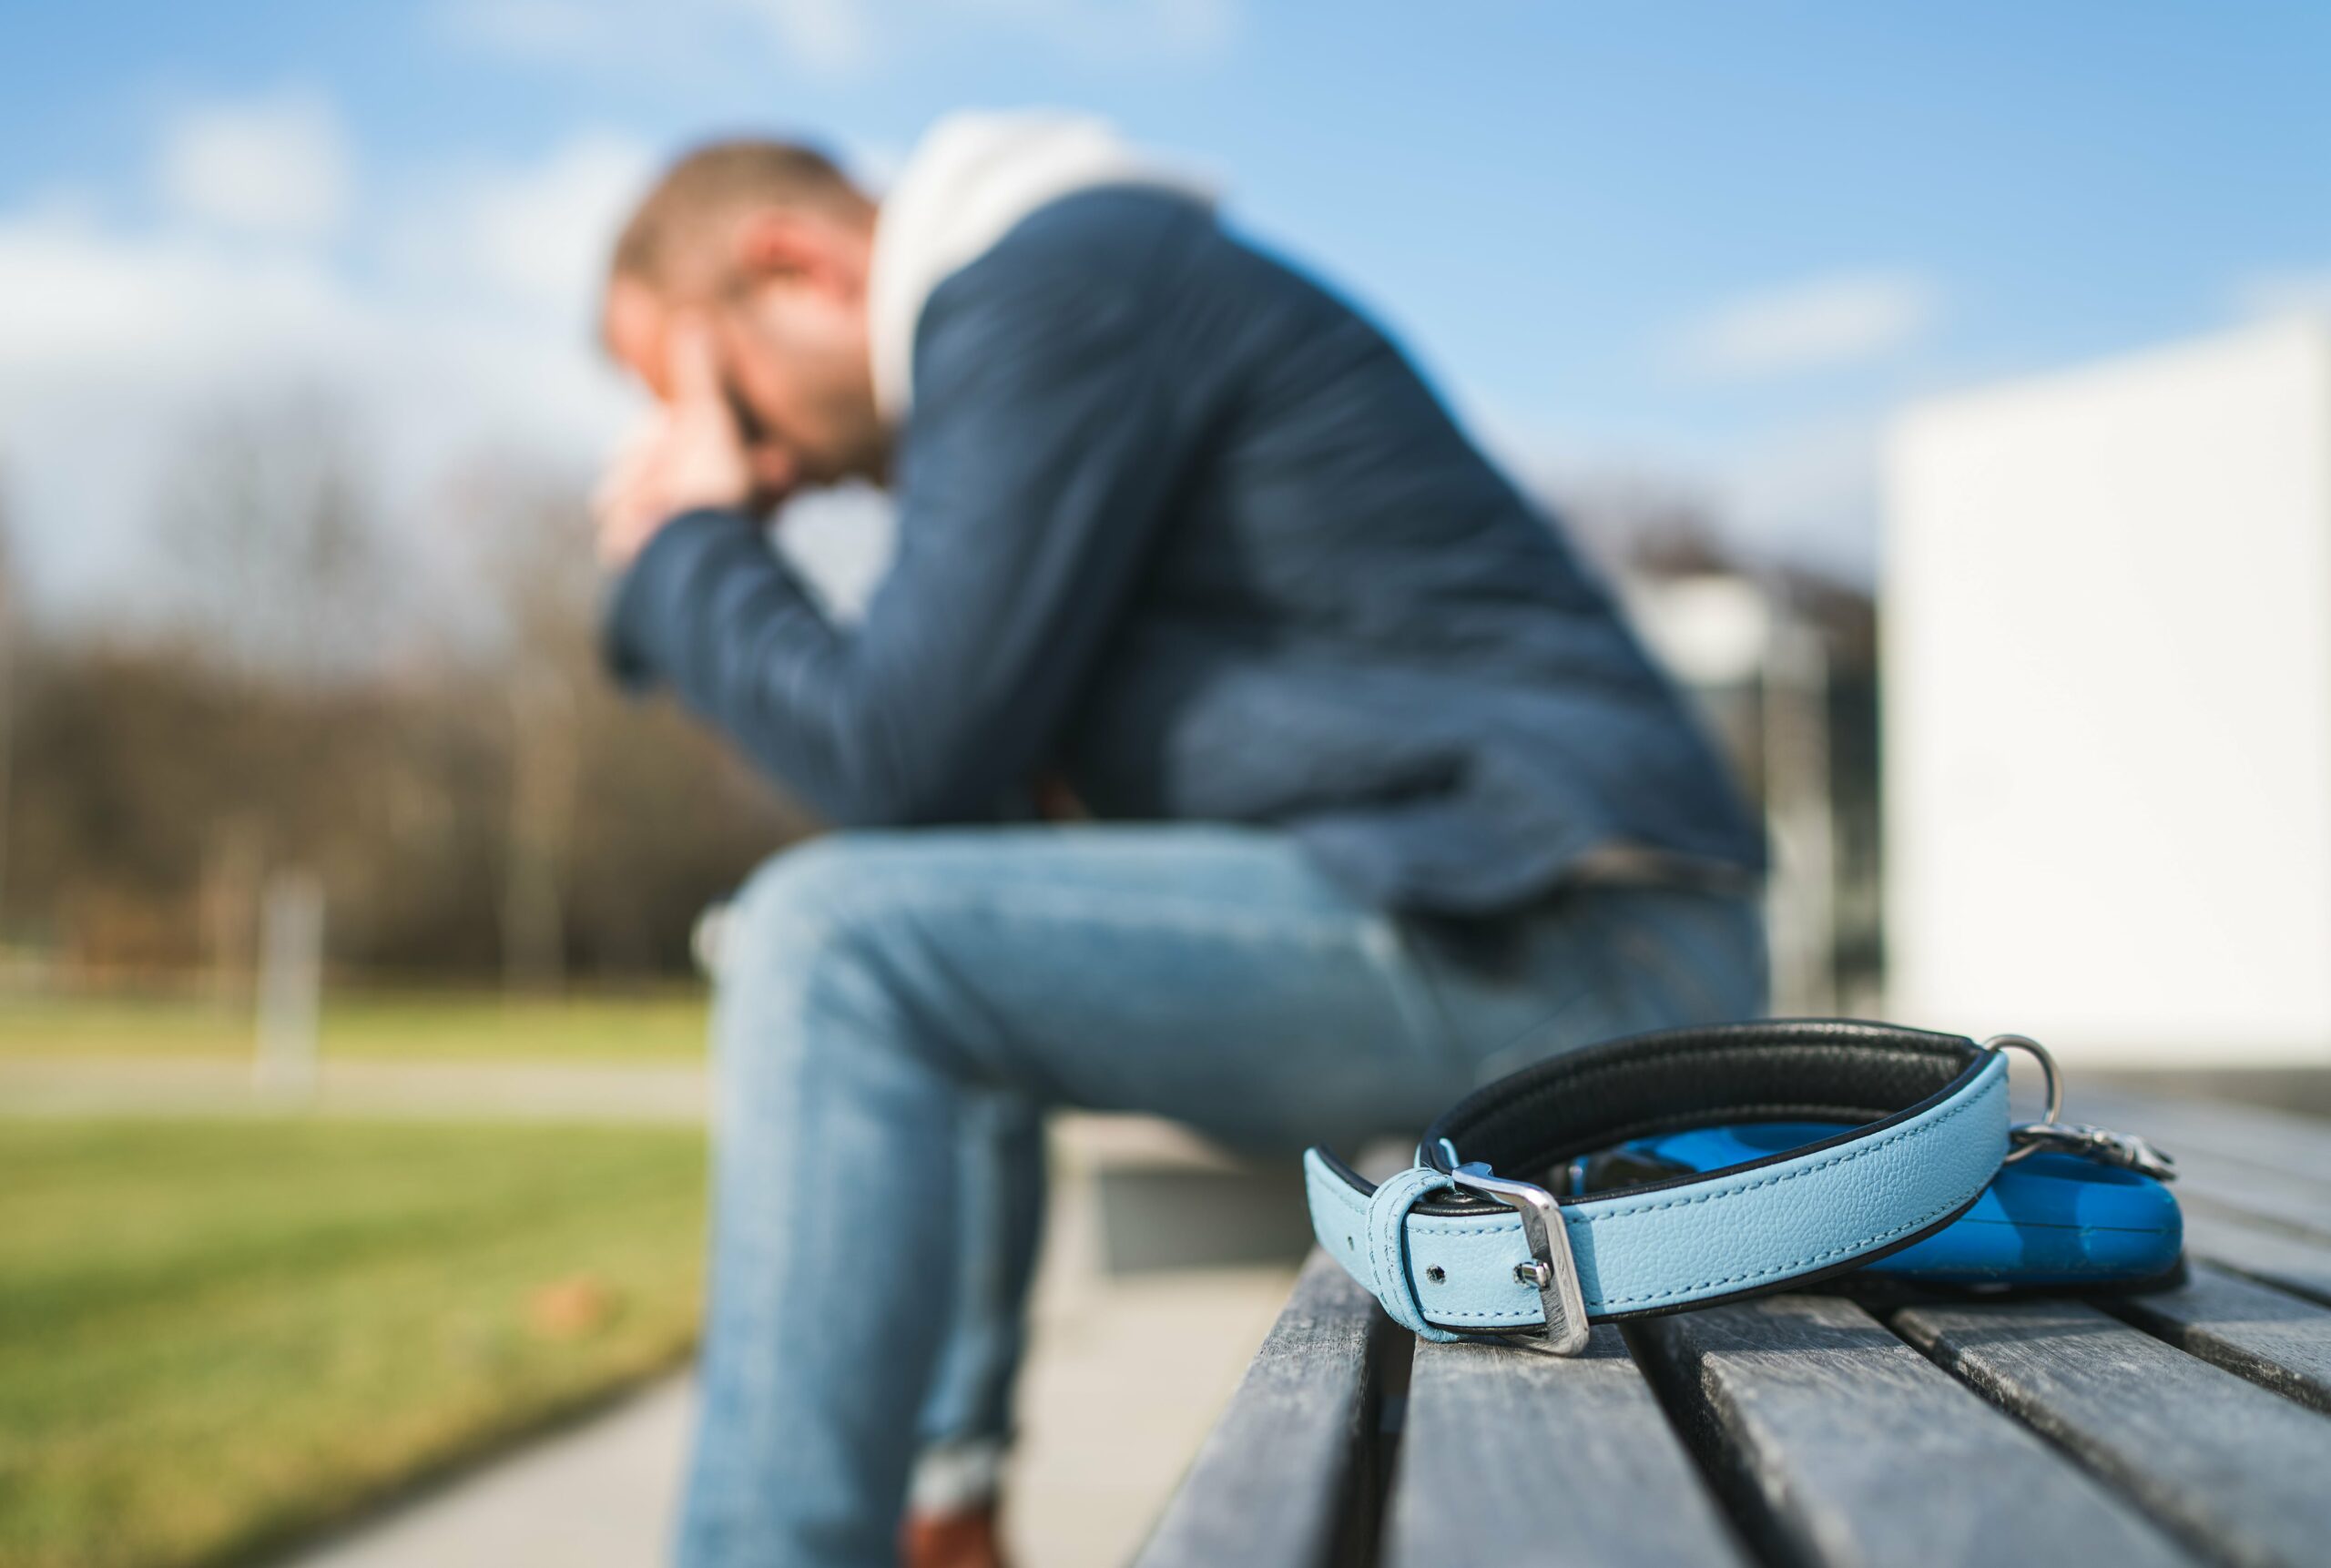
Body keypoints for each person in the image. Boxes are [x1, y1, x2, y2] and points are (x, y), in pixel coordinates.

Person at [593, 110, 1767, 1568]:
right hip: (1504, 915)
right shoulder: (1066, 300)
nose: (766, 475)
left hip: (1578, 929)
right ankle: (939, 1515)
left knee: (827, 938)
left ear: (797, 269)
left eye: (732, 412)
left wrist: (687, 545)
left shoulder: (1049, 283)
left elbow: (891, 748)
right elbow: (947, 807)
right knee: (907, 917)